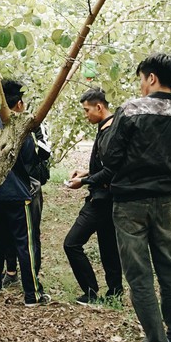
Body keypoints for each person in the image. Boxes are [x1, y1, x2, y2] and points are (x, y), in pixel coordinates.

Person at [73, 53, 171, 342]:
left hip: (130, 203)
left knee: (140, 274)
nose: (141, 85)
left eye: (142, 79)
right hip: (166, 202)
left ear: (152, 78)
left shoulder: (131, 109)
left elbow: (111, 157)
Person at [0, 79, 51, 307]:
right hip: (19, 194)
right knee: (25, 243)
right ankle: (32, 295)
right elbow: (36, 155)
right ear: (19, 103)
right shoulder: (22, 126)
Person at [64, 88, 123, 305]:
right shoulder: (107, 127)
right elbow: (106, 164)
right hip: (107, 198)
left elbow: (111, 170)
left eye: (87, 110)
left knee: (71, 243)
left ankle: (90, 291)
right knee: (108, 246)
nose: (85, 114)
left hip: (102, 199)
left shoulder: (111, 132)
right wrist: (86, 172)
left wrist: (84, 181)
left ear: (99, 107)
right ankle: (115, 292)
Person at [2, 122, 51, 287]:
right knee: (8, 230)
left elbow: (44, 152)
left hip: (31, 186)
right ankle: (11, 272)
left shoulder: (36, 124)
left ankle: (31, 276)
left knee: (31, 233)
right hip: (8, 186)